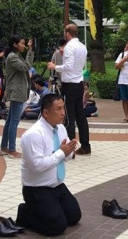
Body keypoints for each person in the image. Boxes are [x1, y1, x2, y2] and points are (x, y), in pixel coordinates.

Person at [16, 94, 81, 236]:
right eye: (58, 109)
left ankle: (49, 210)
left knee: (74, 216)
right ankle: (24, 213)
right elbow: (37, 166)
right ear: (46, 113)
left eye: (63, 108)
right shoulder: (33, 134)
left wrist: (69, 150)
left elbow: (66, 157)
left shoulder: (61, 128)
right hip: (37, 189)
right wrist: (61, 153)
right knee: (56, 228)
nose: (63, 113)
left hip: (57, 185)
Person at [48, 24, 91, 156]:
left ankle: (70, 149)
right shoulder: (82, 46)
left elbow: (68, 66)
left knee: (69, 117)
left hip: (70, 84)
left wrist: (54, 66)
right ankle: (85, 146)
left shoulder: (69, 47)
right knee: (81, 116)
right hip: (79, 82)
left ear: (67, 34)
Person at [0, 36, 34, 158]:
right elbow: (26, 67)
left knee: (10, 121)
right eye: (22, 43)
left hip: (17, 91)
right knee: (14, 121)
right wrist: (30, 52)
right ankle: (11, 149)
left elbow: (25, 65)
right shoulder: (13, 57)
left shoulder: (16, 55)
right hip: (16, 91)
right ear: (15, 44)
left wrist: (29, 51)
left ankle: (4, 147)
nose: (23, 45)